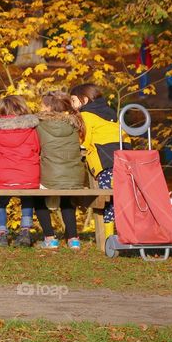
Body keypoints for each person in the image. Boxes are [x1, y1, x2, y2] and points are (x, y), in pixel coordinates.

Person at [0, 95, 40, 247]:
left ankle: (1, 233)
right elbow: (37, 147)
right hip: (28, 176)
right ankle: (25, 231)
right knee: (28, 199)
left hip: (5, 177)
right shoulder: (31, 128)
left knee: (0, 201)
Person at [34, 92, 85, 250]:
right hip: (74, 176)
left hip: (50, 175)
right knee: (66, 200)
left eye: (43, 104)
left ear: (49, 107)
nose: (40, 107)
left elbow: (35, 146)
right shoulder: (74, 123)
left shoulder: (39, 123)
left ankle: (49, 237)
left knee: (38, 200)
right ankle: (73, 238)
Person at [69, 83, 123, 232]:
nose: (72, 105)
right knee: (120, 197)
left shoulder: (86, 115)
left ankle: (108, 235)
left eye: (73, 100)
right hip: (122, 158)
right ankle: (125, 230)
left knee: (107, 200)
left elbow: (85, 138)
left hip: (104, 161)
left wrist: (79, 146)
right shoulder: (110, 113)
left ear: (84, 100)